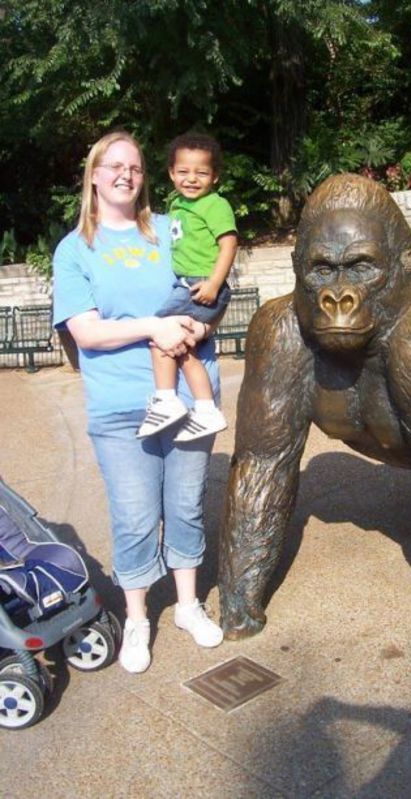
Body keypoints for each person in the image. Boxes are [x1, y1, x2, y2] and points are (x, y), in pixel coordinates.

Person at [52, 130, 224, 675]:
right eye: (114, 165)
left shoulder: (171, 231)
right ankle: (137, 617)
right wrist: (153, 326)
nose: (126, 174)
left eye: (135, 167)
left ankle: (188, 606)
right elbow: (85, 331)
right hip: (121, 404)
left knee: (186, 506)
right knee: (134, 516)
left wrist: (198, 327)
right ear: (94, 176)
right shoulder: (75, 249)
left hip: (191, 397)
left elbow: (212, 285)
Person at [136, 133, 238, 442]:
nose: (191, 179)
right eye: (183, 171)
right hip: (187, 284)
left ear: (214, 176)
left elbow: (229, 244)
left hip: (200, 284)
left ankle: (166, 400)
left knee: (161, 333)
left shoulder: (215, 205)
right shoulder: (177, 204)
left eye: (201, 172)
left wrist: (214, 283)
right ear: (171, 173)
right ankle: (205, 409)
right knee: (183, 346)